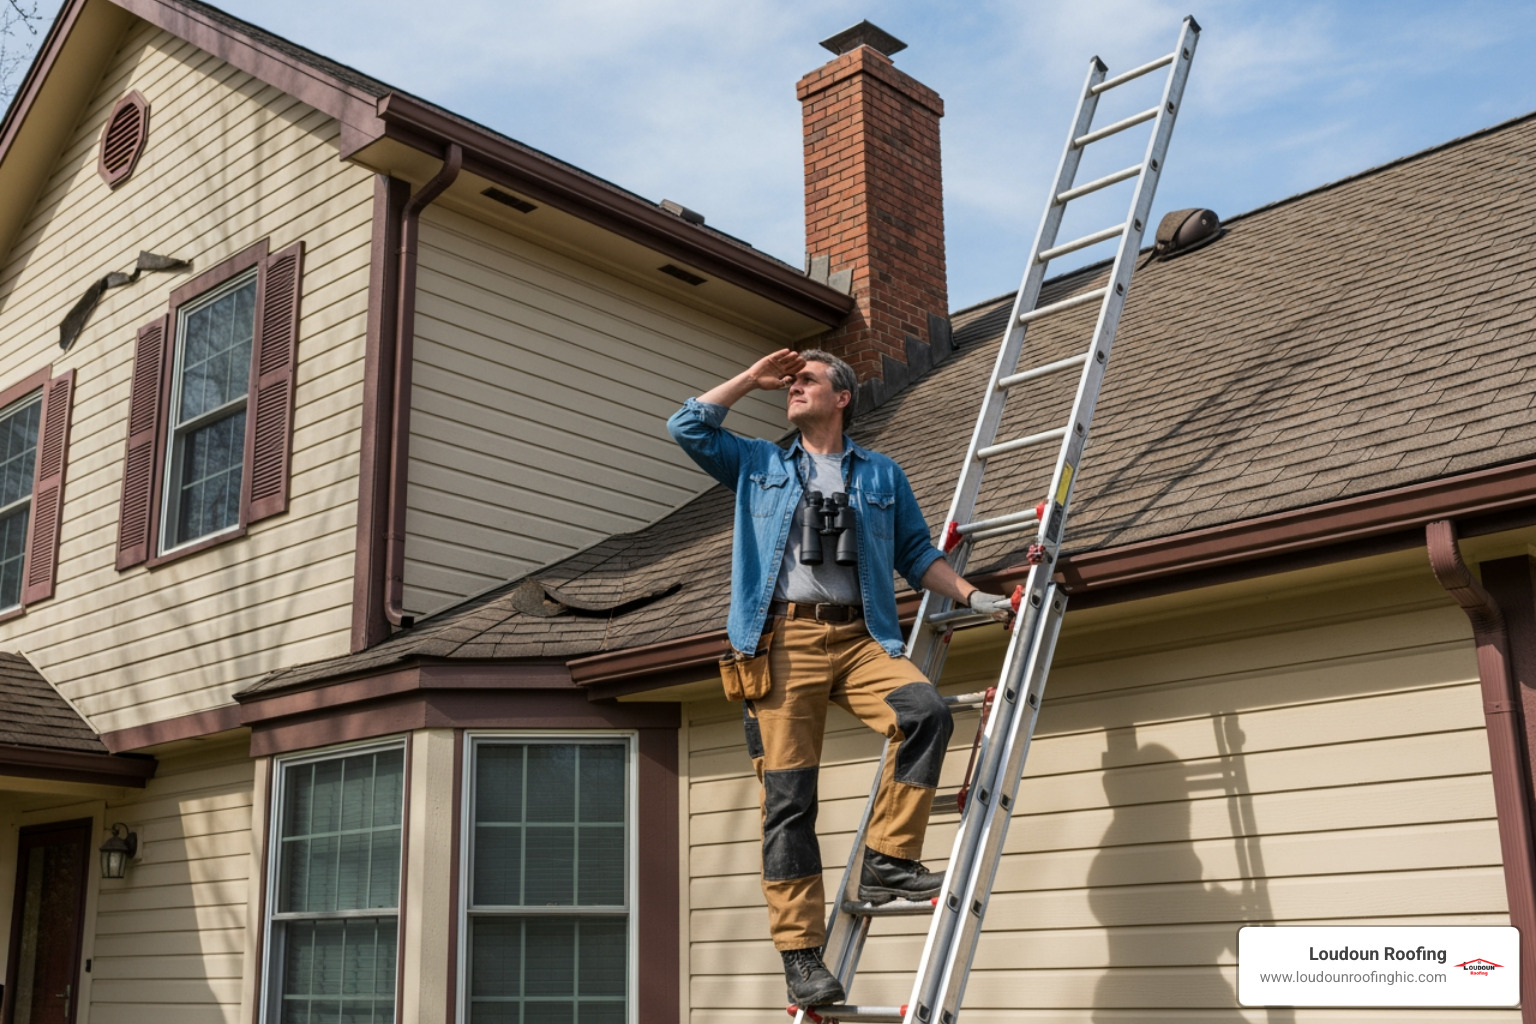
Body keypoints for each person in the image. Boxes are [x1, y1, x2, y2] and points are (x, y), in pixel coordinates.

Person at [667, 348, 1011, 1008]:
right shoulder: (761, 463)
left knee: (925, 714)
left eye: (805, 381)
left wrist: (971, 597)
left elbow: (915, 552)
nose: (792, 389)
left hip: (861, 635)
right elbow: (687, 428)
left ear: (842, 396)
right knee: (790, 799)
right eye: (789, 384)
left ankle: (889, 859)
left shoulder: (880, 474)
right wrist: (750, 379)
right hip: (782, 641)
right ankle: (801, 956)